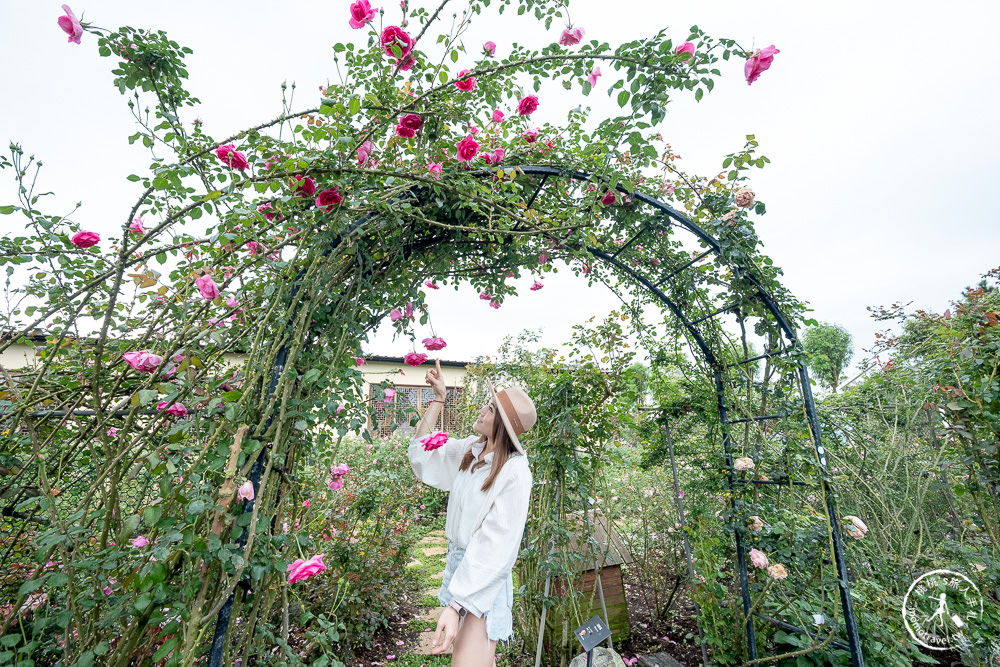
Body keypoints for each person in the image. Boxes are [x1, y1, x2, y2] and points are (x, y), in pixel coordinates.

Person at [408, 359, 535, 666]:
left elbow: (496, 544)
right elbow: (421, 451)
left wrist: (455, 605)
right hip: (459, 567)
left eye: (490, 408)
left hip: (482, 577)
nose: (482, 410)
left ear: (503, 424)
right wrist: (438, 399)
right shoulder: (472, 452)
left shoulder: (514, 472)